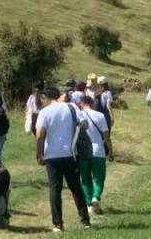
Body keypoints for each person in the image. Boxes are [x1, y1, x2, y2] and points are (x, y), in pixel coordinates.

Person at [35, 86, 92, 232]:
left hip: (51, 156)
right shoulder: (71, 107)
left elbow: (40, 134)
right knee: (76, 188)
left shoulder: (44, 112)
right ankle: (85, 220)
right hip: (70, 153)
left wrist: (39, 154)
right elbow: (84, 124)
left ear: (45, 98)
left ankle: (58, 224)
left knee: (55, 189)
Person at [76, 95, 113, 214]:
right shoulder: (100, 115)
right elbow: (106, 135)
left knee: (85, 179)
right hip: (98, 150)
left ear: (82, 103)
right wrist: (110, 150)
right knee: (99, 177)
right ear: (92, 103)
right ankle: (96, 197)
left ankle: (89, 205)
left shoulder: (78, 115)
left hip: (82, 151)